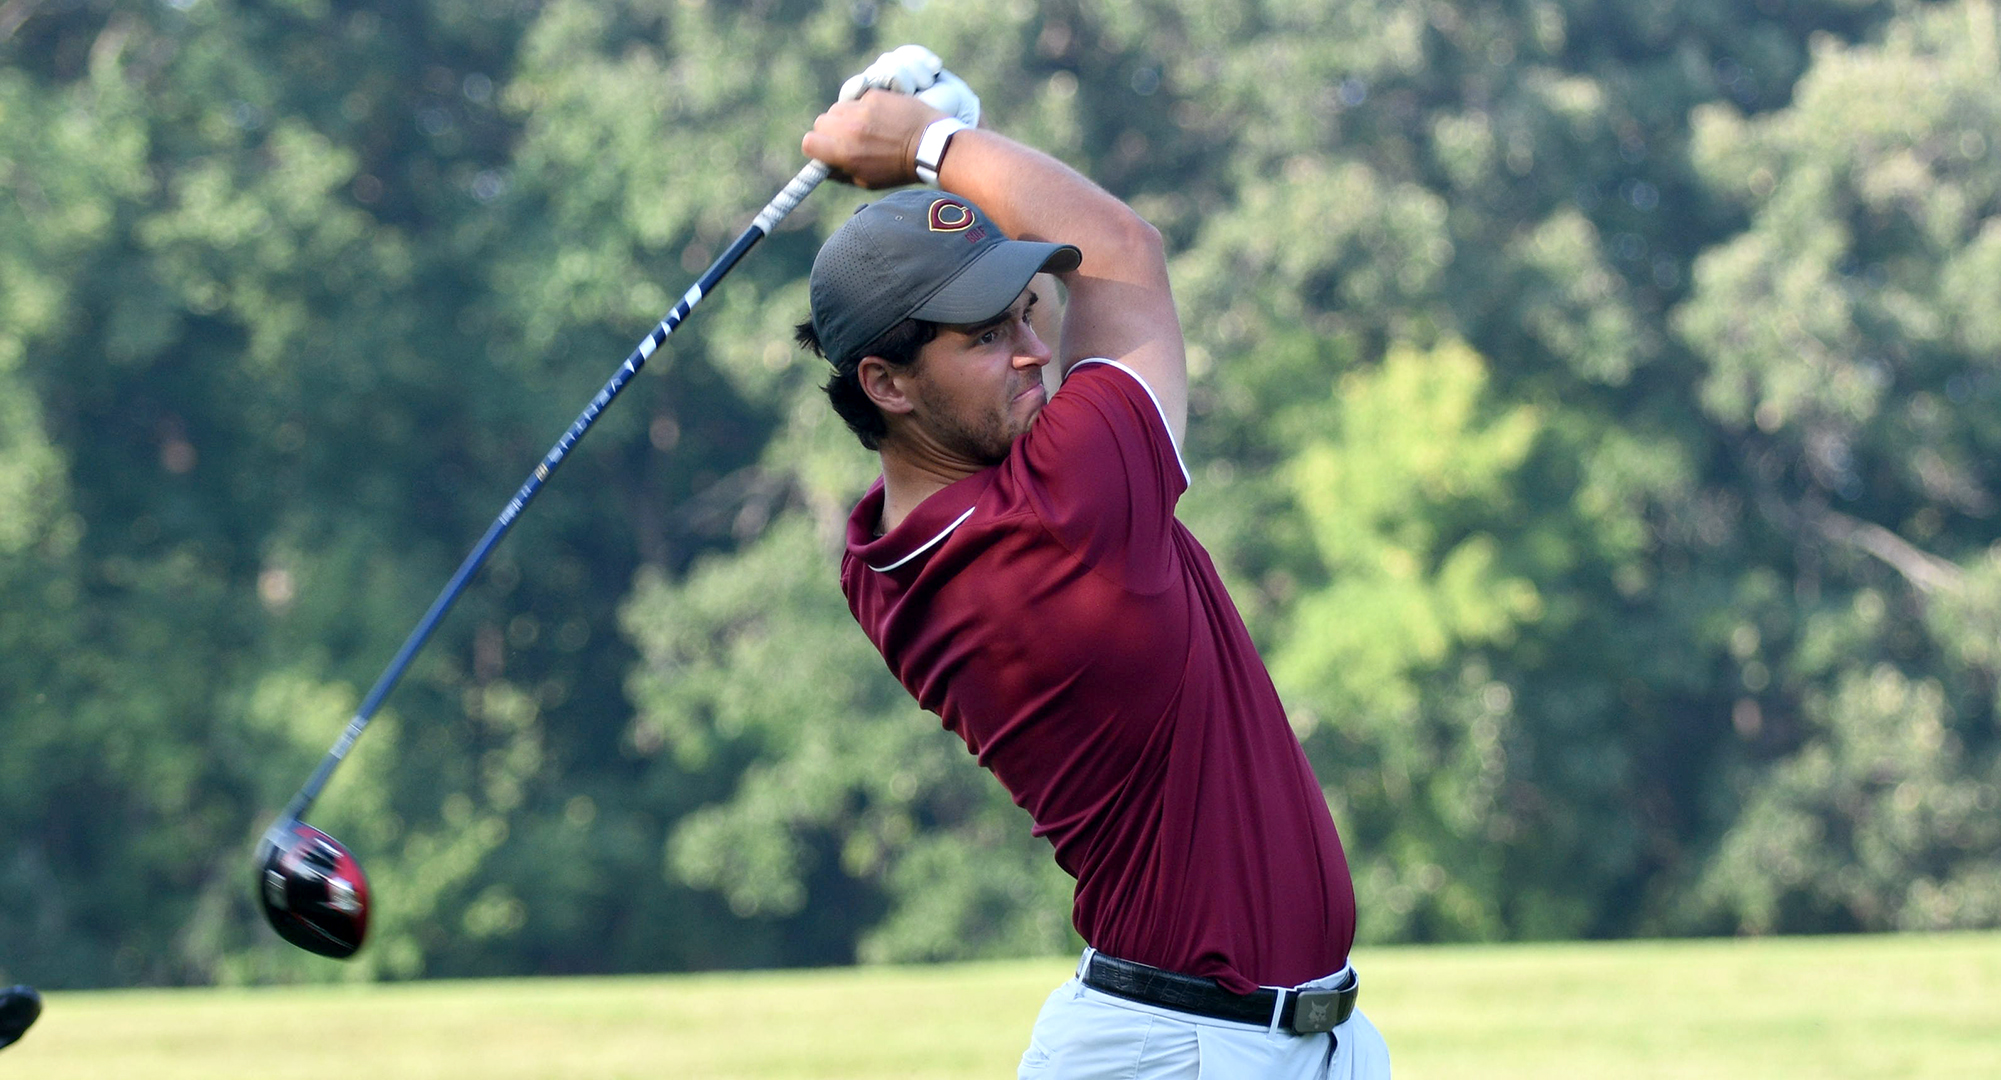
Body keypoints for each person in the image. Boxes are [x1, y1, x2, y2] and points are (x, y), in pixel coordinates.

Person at [795, 53, 1391, 1079]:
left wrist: (945, 185)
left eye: (1029, 311)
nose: (1034, 350)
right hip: (1191, 1052)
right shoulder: (1064, 514)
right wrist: (926, 147)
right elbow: (1121, 250)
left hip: (1261, 1037)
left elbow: (1083, 285)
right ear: (885, 383)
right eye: (986, 336)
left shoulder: (882, 554)